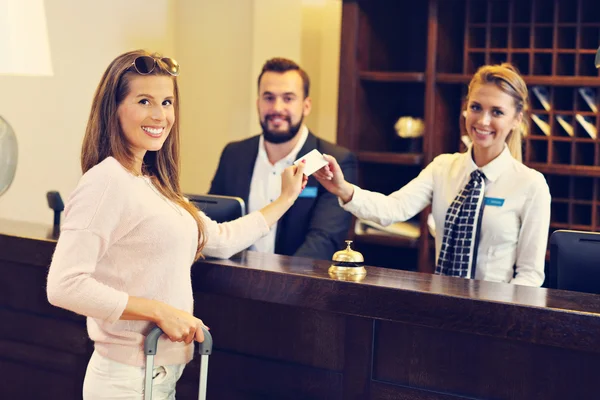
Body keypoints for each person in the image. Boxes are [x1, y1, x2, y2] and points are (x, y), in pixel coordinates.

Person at [46, 49, 307, 399]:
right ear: (115, 107)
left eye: (167, 102)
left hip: (159, 375)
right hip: (127, 379)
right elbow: (64, 285)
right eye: (144, 101)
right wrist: (160, 312)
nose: (160, 115)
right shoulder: (106, 181)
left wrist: (285, 199)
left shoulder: (153, 183)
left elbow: (221, 238)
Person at [314, 63, 551, 287]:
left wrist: (500, 318)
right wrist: (343, 188)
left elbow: (530, 275)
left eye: (497, 112)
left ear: (516, 120)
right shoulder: (443, 168)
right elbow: (393, 209)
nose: (483, 120)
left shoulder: (531, 185)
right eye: (476, 107)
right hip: (443, 305)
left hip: (497, 317)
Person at [208, 57, 357, 260]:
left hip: (298, 286)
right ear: (258, 102)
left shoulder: (333, 161)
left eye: (288, 98)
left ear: (306, 105)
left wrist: (278, 287)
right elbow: (215, 223)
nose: (277, 108)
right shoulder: (234, 154)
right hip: (233, 281)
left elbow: (324, 241)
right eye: (269, 98)